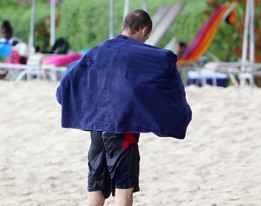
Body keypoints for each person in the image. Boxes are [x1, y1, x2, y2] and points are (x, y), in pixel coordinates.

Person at [56, 9, 192, 206]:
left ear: (124, 26)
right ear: (144, 30)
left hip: (96, 128)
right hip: (122, 127)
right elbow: (165, 64)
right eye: (147, 37)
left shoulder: (98, 50)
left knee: (96, 183)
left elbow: (66, 84)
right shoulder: (144, 54)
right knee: (124, 183)